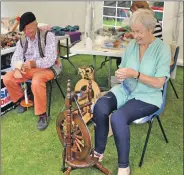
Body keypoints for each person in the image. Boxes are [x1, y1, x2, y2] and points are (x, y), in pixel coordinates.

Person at [92, 9, 171, 175]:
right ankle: (98, 151)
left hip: (148, 96)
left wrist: (135, 74)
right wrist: (121, 74)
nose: (135, 36)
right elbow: (123, 68)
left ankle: (123, 166)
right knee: (100, 106)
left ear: (150, 29)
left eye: (139, 32)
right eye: (133, 31)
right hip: (126, 89)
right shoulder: (133, 45)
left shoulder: (162, 49)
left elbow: (159, 83)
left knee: (119, 117)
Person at [3, 12, 58, 131]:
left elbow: (50, 59)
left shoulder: (48, 36)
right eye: (24, 30)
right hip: (29, 69)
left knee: (37, 81)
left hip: (47, 68)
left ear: (36, 25)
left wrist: (34, 63)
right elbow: (15, 58)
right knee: (8, 78)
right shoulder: (23, 40)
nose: (27, 32)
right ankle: (23, 100)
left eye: (29, 29)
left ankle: (42, 114)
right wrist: (17, 68)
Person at [116, 1, 163, 67]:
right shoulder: (146, 22)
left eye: (134, 12)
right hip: (144, 54)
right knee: (121, 61)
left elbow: (150, 42)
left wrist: (136, 74)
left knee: (121, 60)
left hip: (150, 54)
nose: (133, 14)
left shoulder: (152, 24)